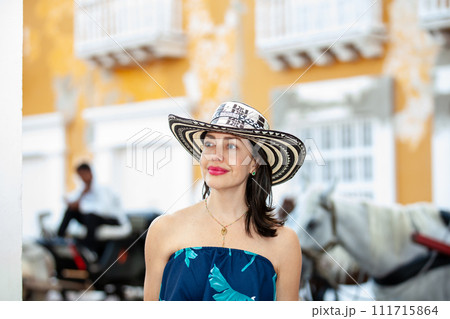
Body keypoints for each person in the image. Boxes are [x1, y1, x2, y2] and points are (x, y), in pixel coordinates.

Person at [144, 101, 306, 301]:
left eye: (231, 146)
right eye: (209, 144)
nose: (215, 156)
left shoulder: (284, 243)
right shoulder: (163, 230)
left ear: (254, 162)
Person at [57, 163, 121, 253]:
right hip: (90, 219)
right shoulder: (82, 190)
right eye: (80, 176)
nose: (82, 178)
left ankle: (90, 250)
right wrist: (78, 199)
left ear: (90, 173)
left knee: (91, 216)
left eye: (83, 174)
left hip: (109, 219)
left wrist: (82, 206)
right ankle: (59, 238)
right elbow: (74, 202)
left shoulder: (102, 188)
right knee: (71, 211)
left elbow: (104, 210)